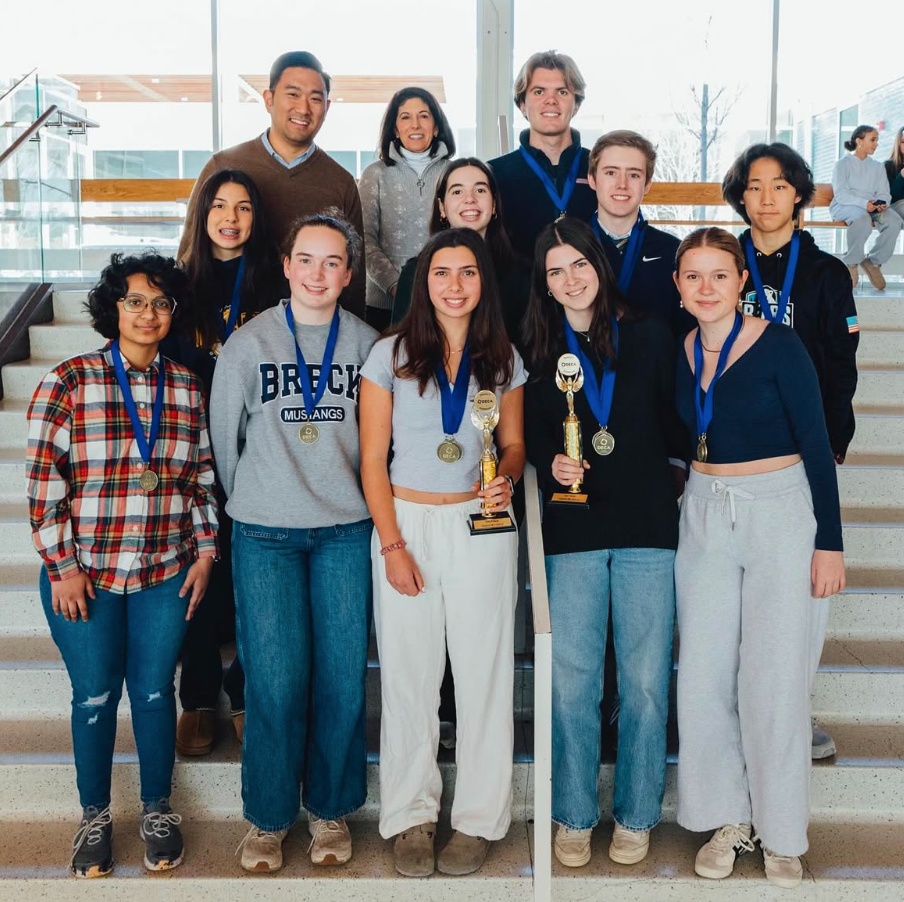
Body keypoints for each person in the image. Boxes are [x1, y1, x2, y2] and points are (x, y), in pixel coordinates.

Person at [26, 252, 219, 878]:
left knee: (157, 691)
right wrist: (62, 567)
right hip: (87, 575)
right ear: (112, 308)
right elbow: (41, 485)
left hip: (165, 570)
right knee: (95, 695)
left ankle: (158, 810)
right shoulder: (69, 380)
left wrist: (208, 548)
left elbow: (203, 479)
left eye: (160, 303)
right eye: (134, 301)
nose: (148, 313)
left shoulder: (186, 387)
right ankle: (95, 816)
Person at [673, 227, 845, 890]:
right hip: (707, 509)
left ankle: (781, 832)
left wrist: (828, 541)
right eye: (694, 276)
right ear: (679, 286)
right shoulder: (685, 349)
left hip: (779, 509)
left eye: (721, 275)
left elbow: (816, 441)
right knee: (705, 675)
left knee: (773, 678)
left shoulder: (780, 345)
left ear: (743, 281)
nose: (707, 288)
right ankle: (727, 818)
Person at [209, 210, 377, 873]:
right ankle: (269, 818)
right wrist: (253, 498)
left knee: (340, 678)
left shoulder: (367, 344)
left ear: (348, 273)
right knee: (275, 682)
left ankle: (330, 810)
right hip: (266, 535)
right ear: (285, 265)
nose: (318, 273)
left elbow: (379, 444)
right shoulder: (250, 344)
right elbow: (226, 444)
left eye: (332, 262)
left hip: (343, 531)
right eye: (306, 259)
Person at [359, 228, 525, 878]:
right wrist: (393, 544)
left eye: (467, 273)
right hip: (407, 523)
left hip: (481, 525)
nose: (454, 285)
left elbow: (512, 446)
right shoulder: (389, 356)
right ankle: (410, 817)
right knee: (408, 676)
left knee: (483, 674)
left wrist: (505, 476)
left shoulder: (504, 357)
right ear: (423, 283)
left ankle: (478, 819)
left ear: (484, 282)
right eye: (441, 273)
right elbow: (373, 459)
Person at [521, 218, 685, 868]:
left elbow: (677, 420)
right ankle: (574, 813)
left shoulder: (650, 333)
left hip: (648, 531)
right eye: (555, 270)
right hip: (574, 534)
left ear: (599, 263)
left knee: (644, 682)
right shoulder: (535, 346)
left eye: (578, 265)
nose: (570, 279)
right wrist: (547, 459)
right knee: (573, 683)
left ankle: (639, 812)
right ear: (544, 281)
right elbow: (528, 435)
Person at [722, 142, 860, 762]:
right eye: (755, 186)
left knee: (803, 594)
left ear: (799, 194)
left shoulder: (827, 274)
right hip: (729, 455)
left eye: (780, 185)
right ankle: (735, 715)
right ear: (741, 195)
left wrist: (831, 443)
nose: (768, 197)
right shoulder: (721, 264)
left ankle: (792, 712)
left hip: (803, 454)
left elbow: (841, 366)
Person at [167, 168, 281, 758]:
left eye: (243, 208)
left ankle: (242, 691)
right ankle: (199, 698)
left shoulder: (271, 284)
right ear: (202, 213)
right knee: (199, 579)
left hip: (256, 452)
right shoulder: (177, 283)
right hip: (189, 451)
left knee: (246, 577)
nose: (231, 218)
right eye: (219, 206)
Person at [177, 51, 366, 316]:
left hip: (314, 335)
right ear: (269, 99)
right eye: (293, 94)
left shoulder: (341, 182)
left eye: (315, 98)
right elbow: (189, 254)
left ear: (327, 106)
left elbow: (354, 280)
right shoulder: (223, 166)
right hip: (225, 324)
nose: (303, 108)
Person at [391, 158, 528, 341]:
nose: (470, 199)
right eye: (457, 191)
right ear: (442, 207)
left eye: (480, 190)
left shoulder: (522, 273)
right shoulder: (415, 272)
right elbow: (400, 347)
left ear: (494, 204)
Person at [358, 87, 456, 331]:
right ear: (395, 128)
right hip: (383, 307)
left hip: (445, 301)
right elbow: (364, 240)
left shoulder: (454, 173)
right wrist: (397, 287)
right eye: (405, 117)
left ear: (436, 127)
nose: (415, 125)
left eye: (424, 116)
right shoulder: (375, 174)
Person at [489, 51, 597, 262]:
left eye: (562, 92)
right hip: (517, 294)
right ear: (522, 105)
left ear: (576, 105)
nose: (551, 100)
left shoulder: (600, 168)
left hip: (587, 291)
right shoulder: (494, 174)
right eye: (539, 92)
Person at [587, 130, 692, 335]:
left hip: (653, 365)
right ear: (592, 179)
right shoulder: (568, 248)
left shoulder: (674, 252)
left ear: (647, 185)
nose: (622, 184)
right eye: (611, 173)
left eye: (634, 174)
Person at [830, 124, 903, 290]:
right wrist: (865, 204)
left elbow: (885, 192)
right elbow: (841, 194)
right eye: (873, 140)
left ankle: (873, 262)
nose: (876, 144)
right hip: (846, 206)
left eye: (877, 140)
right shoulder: (842, 164)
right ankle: (852, 262)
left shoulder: (877, 167)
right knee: (861, 219)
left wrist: (881, 203)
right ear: (859, 141)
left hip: (872, 209)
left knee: (894, 221)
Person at [884, 125, 904, 216]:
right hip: (895, 206)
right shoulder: (888, 166)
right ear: (898, 144)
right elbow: (889, 197)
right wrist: (901, 176)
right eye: (903, 142)